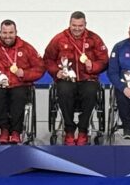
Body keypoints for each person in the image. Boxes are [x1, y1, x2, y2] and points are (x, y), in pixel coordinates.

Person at [0, 19, 45, 144]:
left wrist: (25, 74)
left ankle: (16, 131)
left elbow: (40, 68)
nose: (7, 36)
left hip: (19, 84)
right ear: (0, 33)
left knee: (18, 96)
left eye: (10, 33)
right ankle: (4, 130)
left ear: (16, 32)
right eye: (5, 33)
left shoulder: (26, 48)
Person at [44, 11, 108, 145]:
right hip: (67, 80)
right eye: (74, 25)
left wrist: (94, 66)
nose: (77, 28)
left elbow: (104, 60)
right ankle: (69, 129)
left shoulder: (94, 39)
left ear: (85, 24)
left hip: (88, 79)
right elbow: (48, 59)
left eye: (80, 25)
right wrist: (57, 72)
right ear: (69, 24)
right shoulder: (59, 39)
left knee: (91, 92)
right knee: (64, 91)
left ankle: (83, 130)